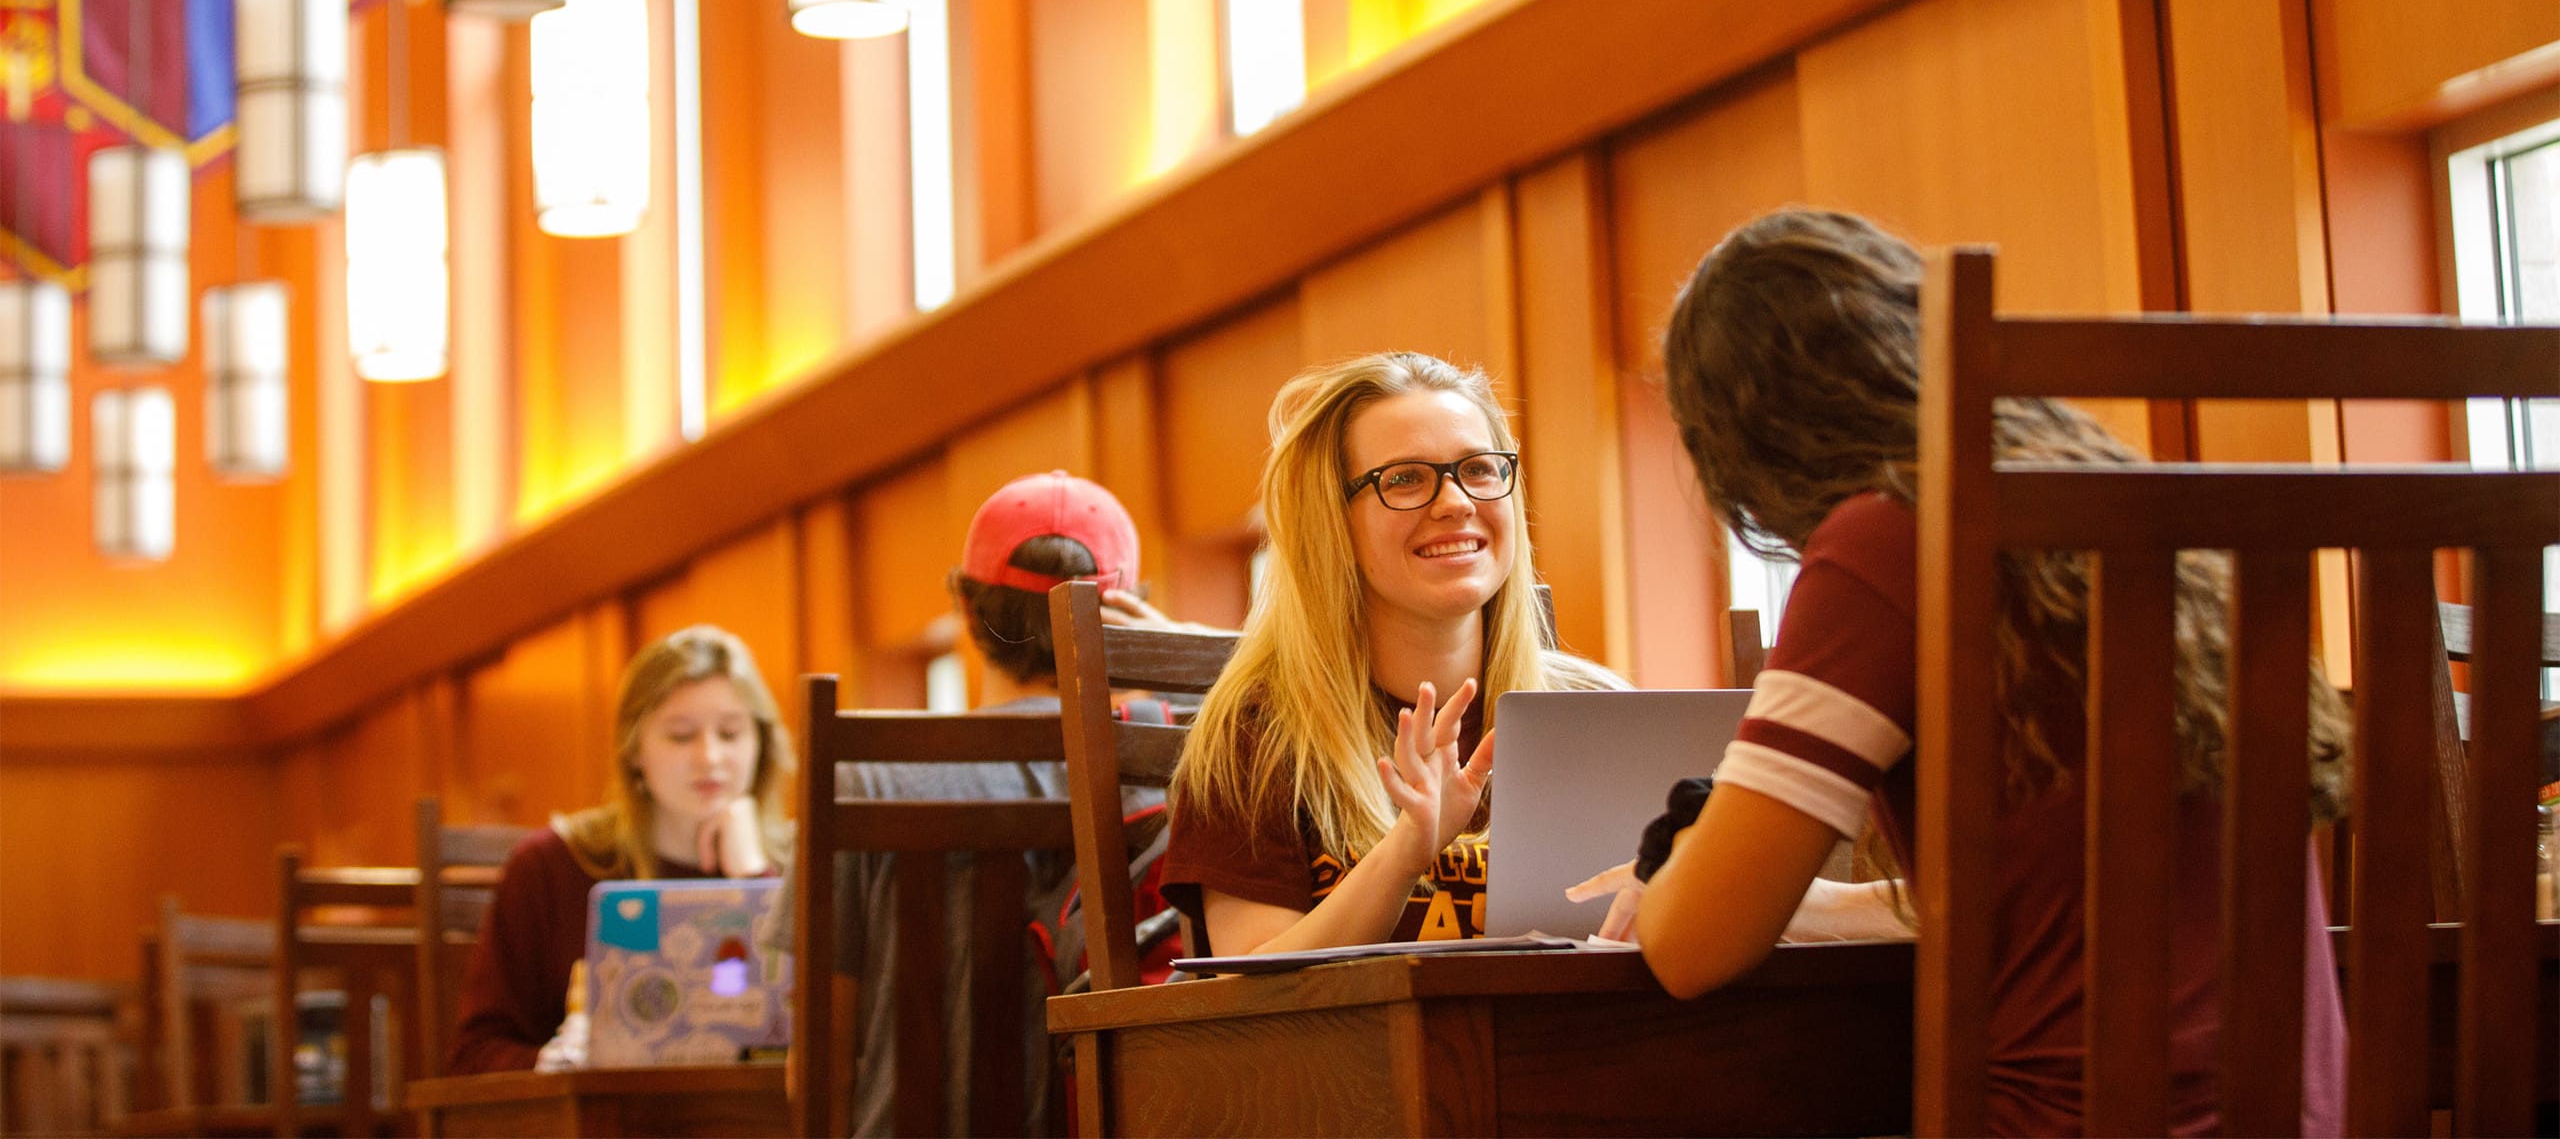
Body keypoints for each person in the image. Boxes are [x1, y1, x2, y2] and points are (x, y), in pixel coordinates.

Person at [1575, 208, 2351, 1135]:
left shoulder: (1887, 537)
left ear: (1750, 441)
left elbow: (1691, 948)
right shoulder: (2124, 513)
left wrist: (1688, 868)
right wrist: (1820, 903)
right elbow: (2045, 901)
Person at [772, 470, 1194, 1138]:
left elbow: (819, 1059)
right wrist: (1179, 659)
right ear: (1128, 614)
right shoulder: (1183, 764)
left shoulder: (867, 777)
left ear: (967, 610)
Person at [1163, 351, 1623, 956]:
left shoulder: (1597, 713)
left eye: (1480, 469)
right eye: (1405, 479)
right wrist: (1406, 854)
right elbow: (1248, 987)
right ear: (1333, 523)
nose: (1457, 501)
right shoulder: (1258, 732)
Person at [447, 625, 794, 1074]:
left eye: (730, 734)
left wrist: (754, 878)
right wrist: (556, 1064)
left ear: (761, 744)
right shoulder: (552, 865)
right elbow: (474, 1055)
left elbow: (823, 1033)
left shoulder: (800, 862)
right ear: (634, 750)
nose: (710, 757)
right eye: (681, 735)